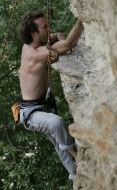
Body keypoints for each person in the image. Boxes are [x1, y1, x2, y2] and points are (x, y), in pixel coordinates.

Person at [17, 11, 83, 180]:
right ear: (34, 34)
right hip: (31, 114)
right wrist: (82, 18)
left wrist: (57, 38)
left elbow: (56, 37)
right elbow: (68, 44)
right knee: (56, 123)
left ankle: (75, 173)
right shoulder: (35, 54)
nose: (49, 28)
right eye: (44, 27)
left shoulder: (29, 45)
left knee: (58, 143)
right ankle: (78, 157)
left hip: (40, 106)